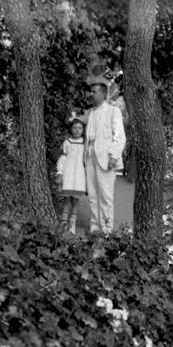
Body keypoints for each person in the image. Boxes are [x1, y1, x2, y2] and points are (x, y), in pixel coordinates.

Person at [83, 80, 125, 233]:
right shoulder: (90, 113)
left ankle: (107, 229)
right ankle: (94, 227)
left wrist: (114, 156)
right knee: (93, 195)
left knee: (106, 196)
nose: (91, 94)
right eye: (91, 92)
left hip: (105, 158)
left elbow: (120, 136)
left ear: (103, 93)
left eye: (94, 92)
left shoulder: (113, 111)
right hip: (89, 156)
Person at [55, 115, 87, 234]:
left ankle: (72, 223)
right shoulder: (67, 142)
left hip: (79, 176)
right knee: (66, 200)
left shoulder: (85, 143)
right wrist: (60, 172)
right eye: (75, 128)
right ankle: (64, 222)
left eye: (80, 128)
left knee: (76, 201)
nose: (77, 130)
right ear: (71, 129)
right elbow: (62, 159)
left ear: (83, 130)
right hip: (68, 176)